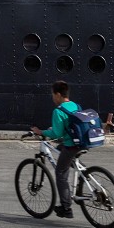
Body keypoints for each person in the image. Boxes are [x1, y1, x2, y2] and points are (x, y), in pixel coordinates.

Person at [30, 80, 82, 219]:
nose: (52, 97)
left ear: (58, 94)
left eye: (53, 94)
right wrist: (56, 130)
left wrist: (41, 132)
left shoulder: (58, 111)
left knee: (60, 172)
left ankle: (66, 208)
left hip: (71, 145)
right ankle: (84, 175)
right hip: (81, 142)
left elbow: (56, 134)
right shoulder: (75, 105)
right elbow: (72, 126)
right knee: (60, 149)